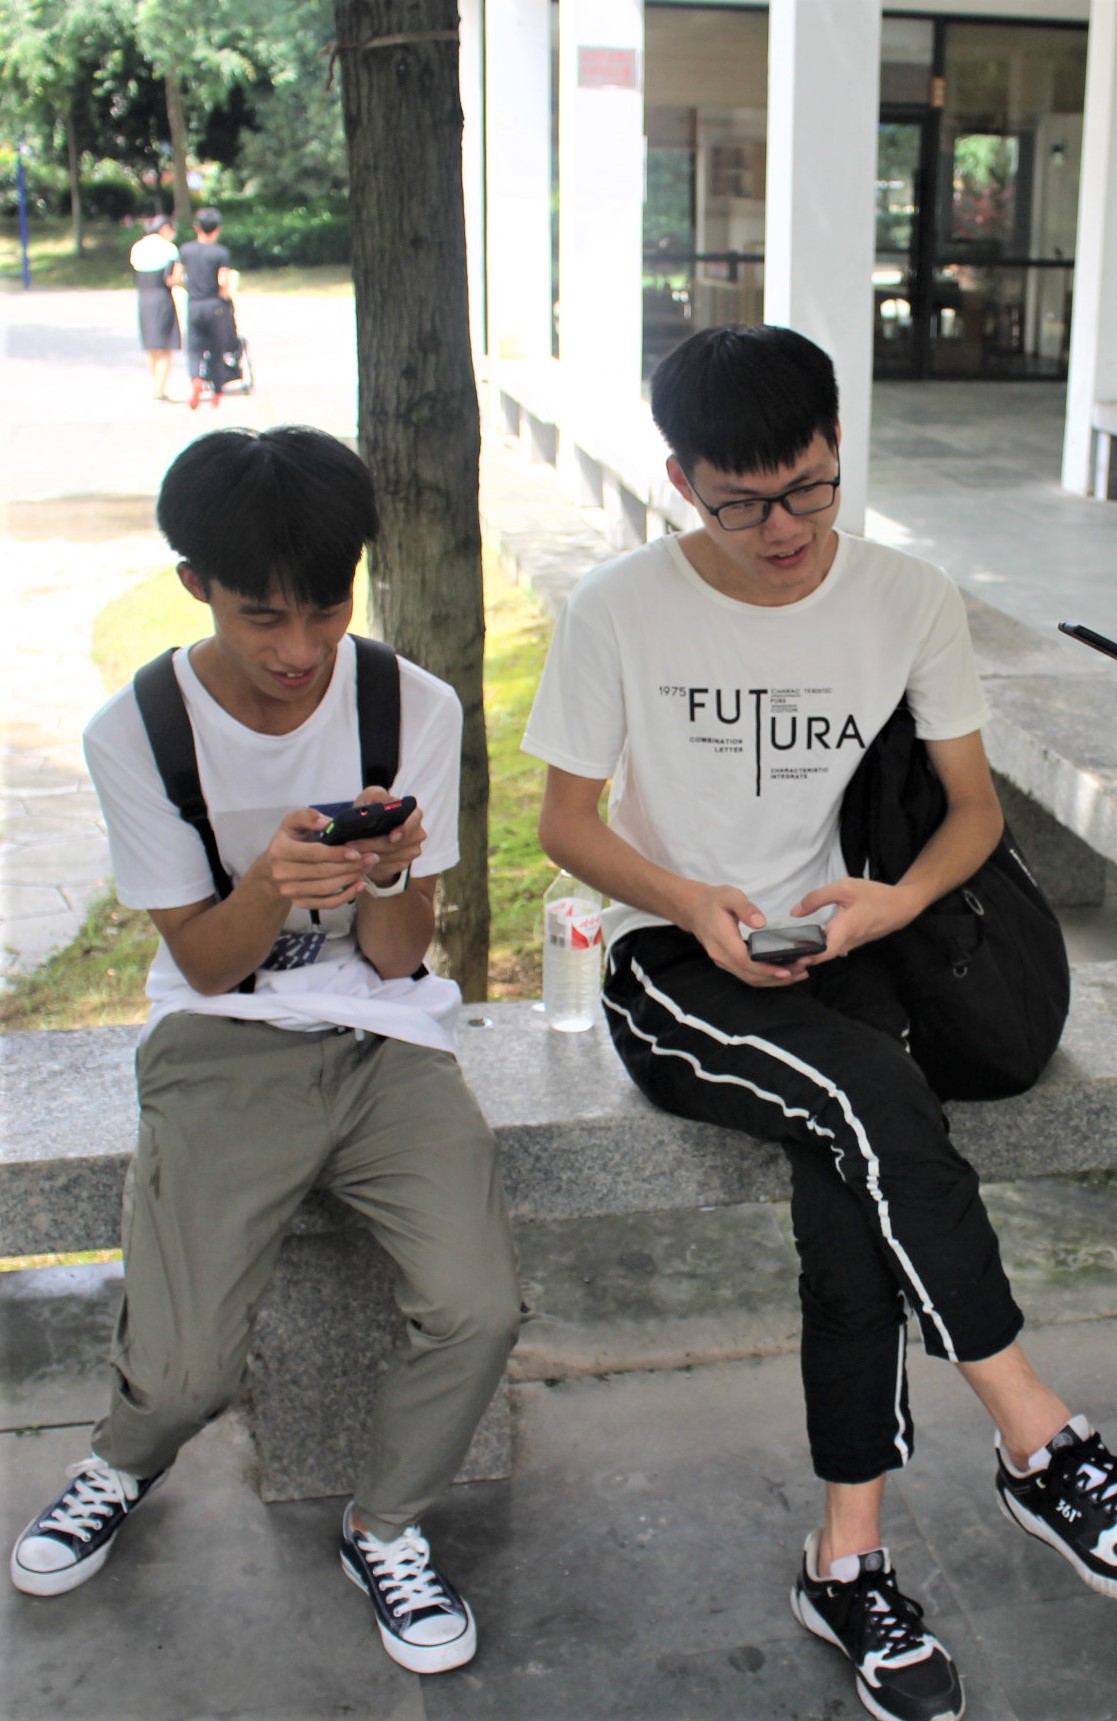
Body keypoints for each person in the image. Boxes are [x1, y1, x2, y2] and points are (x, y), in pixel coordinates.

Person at [525, 323, 1117, 1721]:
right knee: (870, 1103)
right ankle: (1039, 1437)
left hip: (840, 945)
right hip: (674, 962)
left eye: (809, 488)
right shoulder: (620, 607)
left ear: (838, 447)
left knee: (851, 1196)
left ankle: (848, 1562)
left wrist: (891, 904)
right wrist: (693, 900)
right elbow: (565, 823)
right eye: (742, 504)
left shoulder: (905, 595)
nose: (784, 529)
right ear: (681, 480)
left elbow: (972, 811)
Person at [8, 427, 522, 1678]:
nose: (299, 650)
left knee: (477, 1306)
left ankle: (383, 1524)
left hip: (387, 1040)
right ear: (197, 585)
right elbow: (204, 961)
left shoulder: (410, 704)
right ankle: (123, 1458)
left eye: (326, 609)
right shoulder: (140, 730)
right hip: (223, 1038)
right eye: (262, 616)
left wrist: (387, 874)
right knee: (184, 1371)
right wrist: (273, 883)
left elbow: (400, 955)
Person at [179, 206, 238, 407]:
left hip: (194, 304)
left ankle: (196, 380)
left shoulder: (185, 250)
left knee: (194, 348)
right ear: (217, 229)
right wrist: (225, 294)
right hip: (215, 305)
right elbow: (223, 281)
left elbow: (176, 277)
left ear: (197, 227)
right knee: (216, 348)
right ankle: (217, 393)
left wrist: (190, 287)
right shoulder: (220, 252)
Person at [128, 214, 182, 400]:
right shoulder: (169, 248)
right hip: (162, 298)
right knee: (165, 346)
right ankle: (160, 389)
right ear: (165, 228)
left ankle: (155, 385)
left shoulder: (137, 247)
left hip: (144, 297)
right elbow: (172, 278)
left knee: (151, 346)